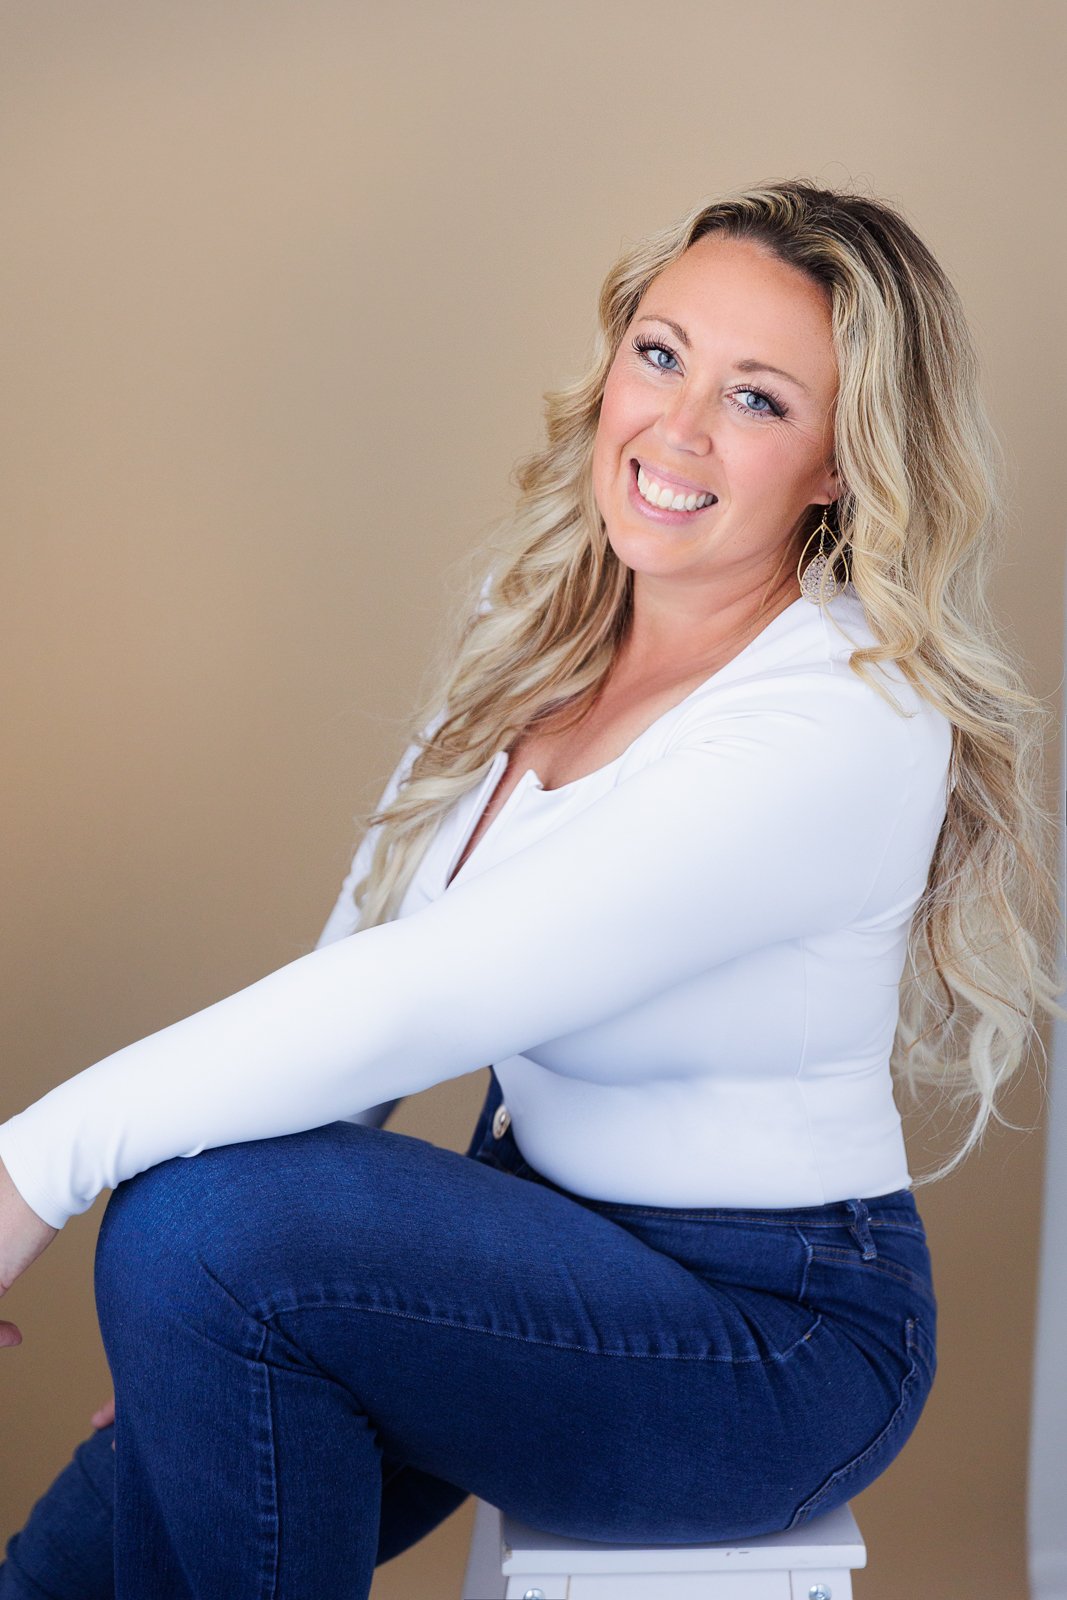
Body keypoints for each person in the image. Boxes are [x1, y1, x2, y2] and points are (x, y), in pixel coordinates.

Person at [0, 178, 1062, 1599]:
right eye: (662, 353)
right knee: (80, 1539)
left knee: (193, 1230)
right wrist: (189, 1324)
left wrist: (26, 1176)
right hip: (536, 1251)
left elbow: (427, 994)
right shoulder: (549, 639)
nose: (674, 429)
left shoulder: (841, 718)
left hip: (766, 1339)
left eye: (757, 400)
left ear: (840, 463)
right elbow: (363, 948)